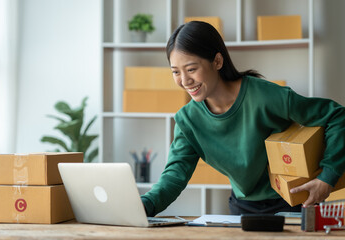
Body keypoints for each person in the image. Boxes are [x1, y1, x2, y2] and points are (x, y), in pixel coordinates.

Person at [140, 21, 345, 216]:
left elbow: (337, 116)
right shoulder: (187, 121)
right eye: (176, 72)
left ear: (217, 61)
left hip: (294, 203)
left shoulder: (265, 96)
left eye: (191, 69)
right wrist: (144, 205)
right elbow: (174, 176)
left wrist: (327, 178)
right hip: (243, 207)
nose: (184, 81)